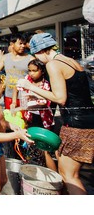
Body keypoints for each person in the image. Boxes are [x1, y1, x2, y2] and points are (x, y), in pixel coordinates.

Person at [17, 33, 94, 195]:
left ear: (41, 51)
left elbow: (60, 98)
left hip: (76, 125)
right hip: (85, 121)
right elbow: (71, 93)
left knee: (69, 175)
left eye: (34, 53)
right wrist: (37, 95)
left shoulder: (53, 65)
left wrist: (29, 86)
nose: (35, 57)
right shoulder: (70, 61)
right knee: (67, 170)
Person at [11, 59, 56, 171]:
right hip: (30, 117)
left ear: (42, 71)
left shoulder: (46, 84)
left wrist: (33, 96)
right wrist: (13, 103)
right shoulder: (27, 79)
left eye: (34, 71)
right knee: (29, 144)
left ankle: (56, 177)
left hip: (43, 120)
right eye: (29, 70)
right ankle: (32, 168)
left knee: (44, 150)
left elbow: (44, 102)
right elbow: (16, 88)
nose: (31, 73)